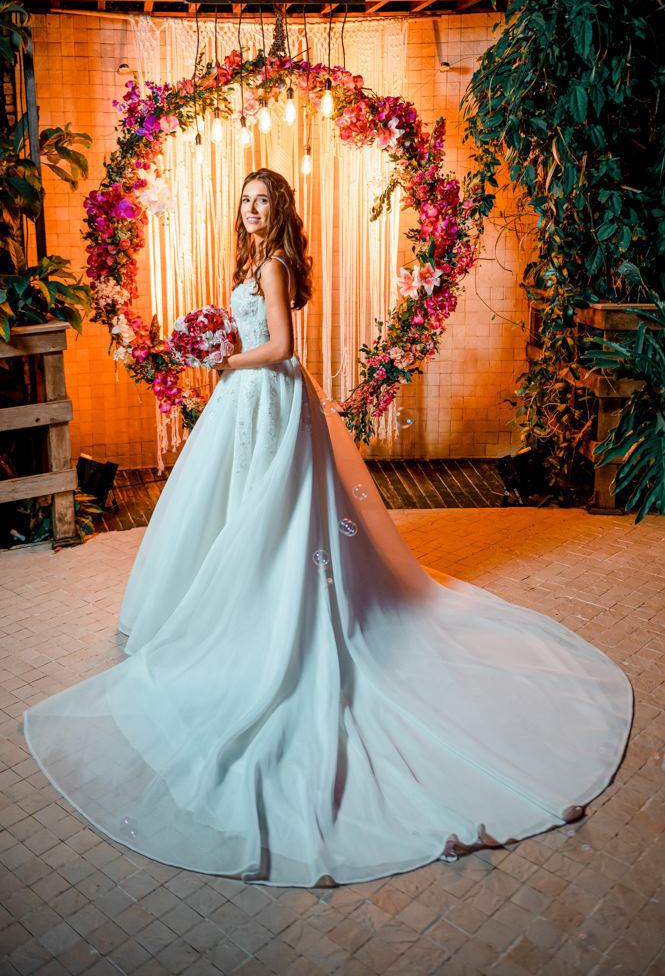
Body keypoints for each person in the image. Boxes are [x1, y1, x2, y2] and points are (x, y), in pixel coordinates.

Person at [24, 168, 633, 888]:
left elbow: (282, 348)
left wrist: (221, 357)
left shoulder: (275, 265)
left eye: (262, 200)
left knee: (270, 513)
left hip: (269, 396)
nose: (251, 209)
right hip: (243, 401)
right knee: (238, 509)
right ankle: (238, 603)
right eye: (244, 199)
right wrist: (216, 351)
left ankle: (278, 613)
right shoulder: (248, 262)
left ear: (280, 210)